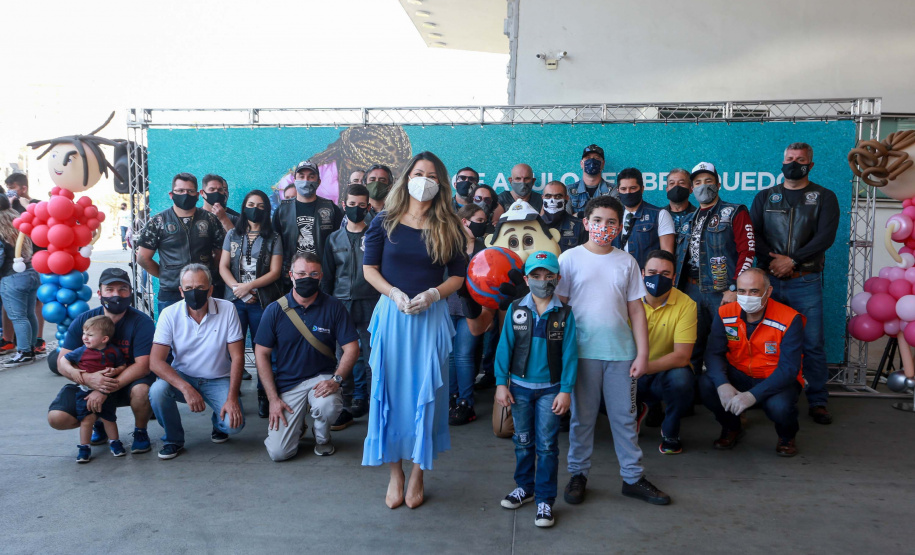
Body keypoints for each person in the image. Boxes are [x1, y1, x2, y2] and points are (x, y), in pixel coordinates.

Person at [362, 151, 467, 509]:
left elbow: (458, 276)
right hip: (392, 318)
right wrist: (392, 293)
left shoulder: (449, 224)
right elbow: (369, 269)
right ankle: (396, 475)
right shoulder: (384, 221)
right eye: (419, 173)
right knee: (388, 394)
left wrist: (434, 293)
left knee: (428, 396)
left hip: (430, 319)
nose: (424, 180)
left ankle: (419, 472)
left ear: (441, 183)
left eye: (432, 175)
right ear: (407, 177)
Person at [557, 194, 670, 506]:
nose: (603, 227)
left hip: (621, 354)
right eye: (597, 221)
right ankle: (578, 474)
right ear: (585, 223)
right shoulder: (569, 260)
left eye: (610, 222)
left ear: (620, 227)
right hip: (581, 355)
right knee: (583, 418)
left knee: (624, 417)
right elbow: (559, 310)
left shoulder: (627, 262)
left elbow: (636, 311)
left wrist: (643, 354)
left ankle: (632, 477)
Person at [750, 142, 839, 426]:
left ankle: (818, 400)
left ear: (810, 165)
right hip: (769, 281)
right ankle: (762, 393)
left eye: (800, 159)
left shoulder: (825, 197)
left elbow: (824, 237)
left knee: (812, 343)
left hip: (805, 281)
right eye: (789, 159)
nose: (793, 163)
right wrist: (774, 262)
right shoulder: (765, 197)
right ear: (782, 162)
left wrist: (793, 261)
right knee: (765, 341)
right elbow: (754, 235)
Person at [495, 250, 578, 528]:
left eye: (549, 275)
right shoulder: (517, 309)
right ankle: (525, 488)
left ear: (558, 278)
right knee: (523, 441)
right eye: (536, 275)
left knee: (546, 446)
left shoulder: (564, 314)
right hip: (518, 389)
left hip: (550, 391)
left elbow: (569, 354)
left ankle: (544, 499)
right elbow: (504, 347)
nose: (543, 281)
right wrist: (500, 383)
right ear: (526, 279)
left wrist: (565, 390)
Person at [255, 253, 359, 461]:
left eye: (313, 274)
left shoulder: (333, 307)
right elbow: (261, 353)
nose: (307, 278)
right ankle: (298, 424)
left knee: (327, 405)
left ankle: (322, 438)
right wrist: (273, 399)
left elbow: (352, 348)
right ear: (291, 275)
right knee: (279, 453)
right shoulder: (274, 310)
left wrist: (336, 380)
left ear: (321, 277)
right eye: (301, 273)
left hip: (321, 379)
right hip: (288, 383)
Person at [699, 268, 805, 457]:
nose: (747, 296)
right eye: (742, 291)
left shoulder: (789, 318)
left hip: (774, 379)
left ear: (768, 291)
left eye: (754, 291)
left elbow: (789, 369)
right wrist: (723, 384)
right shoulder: (725, 313)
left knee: (780, 407)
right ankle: (732, 427)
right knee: (707, 384)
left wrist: (752, 395)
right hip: (739, 373)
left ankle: (786, 437)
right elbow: (713, 353)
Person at [50, 268, 156, 455]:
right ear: (99, 293)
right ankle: (97, 421)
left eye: (123, 289)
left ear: (130, 292)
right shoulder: (84, 320)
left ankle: (140, 431)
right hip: (88, 382)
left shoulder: (142, 322)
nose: (116, 294)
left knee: (143, 391)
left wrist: (103, 389)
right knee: (57, 418)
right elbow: (61, 361)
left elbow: (143, 365)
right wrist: (83, 377)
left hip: (127, 382)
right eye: (110, 289)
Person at [148, 264, 245, 460]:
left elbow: (237, 357)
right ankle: (173, 439)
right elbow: (155, 361)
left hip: (218, 378)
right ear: (181, 292)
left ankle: (218, 423)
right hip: (184, 376)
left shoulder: (227, 309)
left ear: (210, 289)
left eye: (200, 288)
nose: (195, 293)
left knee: (233, 426)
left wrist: (232, 398)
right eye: (189, 288)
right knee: (157, 391)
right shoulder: (169, 314)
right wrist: (185, 388)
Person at [675, 162, 755, 373]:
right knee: (692, 346)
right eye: (698, 182)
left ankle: (727, 398)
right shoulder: (687, 221)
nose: (703, 186)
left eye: (708, 181)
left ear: (718, 184)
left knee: (728, 346)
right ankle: (693, 397)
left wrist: (735, 288)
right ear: (692, 189)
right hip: (690, 291)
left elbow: (747, 251)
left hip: (722, 292)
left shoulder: (734, 212)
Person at [321, 184, 380, 429]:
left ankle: (373, 403)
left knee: (372, 356)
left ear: (368, 207)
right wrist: (326, 307)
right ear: (344, 205)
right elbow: (328, 276)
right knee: (345, 356)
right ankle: (348, 402)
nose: (357, 209)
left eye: (362, 205)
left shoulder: (376, 235)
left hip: (371, 303)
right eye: (352, 204)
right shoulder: (333, 239)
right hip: (341, 304)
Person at [218, 189, 283, 401]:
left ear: (267, 211)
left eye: (261, 206)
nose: (255, 210)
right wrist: (240, 290)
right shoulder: (232, 235)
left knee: (263, 349)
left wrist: (250, 287)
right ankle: (229, 395)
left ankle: (264, 395)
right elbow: (223, 267)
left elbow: (275, 272)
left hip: (261, 302)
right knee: (231, 349)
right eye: (251, 205)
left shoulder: (274, 237)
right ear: (244, 208)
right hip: (235, 302)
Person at [136, 173, 226, 315]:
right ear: (171, 194)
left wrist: (208, 272)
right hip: (171, 292)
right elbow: (142, 258)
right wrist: (165, 274)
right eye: (181, 191)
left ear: (197, 195)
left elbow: (220, 253)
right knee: (172, 336)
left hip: (204, 290)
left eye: (190, 191)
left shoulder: (210, 220)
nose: (186, 194)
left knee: (207, 333)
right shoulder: (158, 221)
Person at [636, 250, 697, 455]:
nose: (657, 277)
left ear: (674, 277)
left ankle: (671, 431)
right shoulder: (627, 299)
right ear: (642, 273)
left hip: (664, 371)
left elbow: (682, 356)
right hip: (630, 369)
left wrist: (644, 368)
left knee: (682, 381)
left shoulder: (686, 304)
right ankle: (634, 413)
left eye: (665, 273)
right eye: (652, 272)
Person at [446, 204, 488, 425]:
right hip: (449, 305)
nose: (484, 224)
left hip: (473, 309)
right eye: (479, 220)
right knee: (452, 355)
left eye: (484, 220)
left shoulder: (485, 248)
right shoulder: (450, 245)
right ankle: (452, 399)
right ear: (465, 221)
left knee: (464, 355)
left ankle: (466, 402)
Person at [272, 160, 343, 291]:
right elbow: (275, 246)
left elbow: (339, 243)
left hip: (322, 276)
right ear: (294, 180)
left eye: (311, 176)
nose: (306, 180)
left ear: (319, 181)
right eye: (302, 176)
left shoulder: (331, 209)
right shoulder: (282, 210)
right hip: (292, 277)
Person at [65, 315, 128, 462]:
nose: (85, 337)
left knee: (109, 418)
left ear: (104, 339)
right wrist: (73, 371)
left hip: (106, 391)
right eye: (84, 333)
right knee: (86, 420)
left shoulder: (113, 351)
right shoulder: (81, 351)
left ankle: (115, 442)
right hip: (84, 392)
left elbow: (123, 365)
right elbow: (64, 360)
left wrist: (116, 371)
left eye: (90, 335)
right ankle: (84, 447)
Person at [0, 203, 40, 367]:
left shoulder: (1, 231)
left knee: (18, 317)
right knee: (30, 314)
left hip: (12, 277)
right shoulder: (18, 224)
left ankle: (24, 352)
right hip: (30, 272)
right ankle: (30, 347)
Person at [613, 167, 676, 268]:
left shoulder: (661, 214)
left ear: (642, 189)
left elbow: (667, 255)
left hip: (646, 278)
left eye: (633, 188)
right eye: (623, 189)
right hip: (617, 277)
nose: (628, 192)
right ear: (618, 191)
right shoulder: (613, 216)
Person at [568, 144, 617, 217]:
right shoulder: (569, 190)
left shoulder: (613, 190)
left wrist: (579, 214)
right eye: (587, 158)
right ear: (581, 164)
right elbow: (566, 220)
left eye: (596, 158)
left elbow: (613, 217)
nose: (592, 161)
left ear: (603, 164)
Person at [540, 181, 587, 252]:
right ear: (542, 198)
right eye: (548, 196)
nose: (552, 200)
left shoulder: (580, 227)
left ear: (567, 198)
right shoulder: (534, 225)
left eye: (558, 196)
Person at [664, 168, 697, 235]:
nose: (676, 186)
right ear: (667, 189)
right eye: (672, 183)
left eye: (681, 183)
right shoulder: (658, 216)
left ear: (691, 189)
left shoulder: (698, 215)